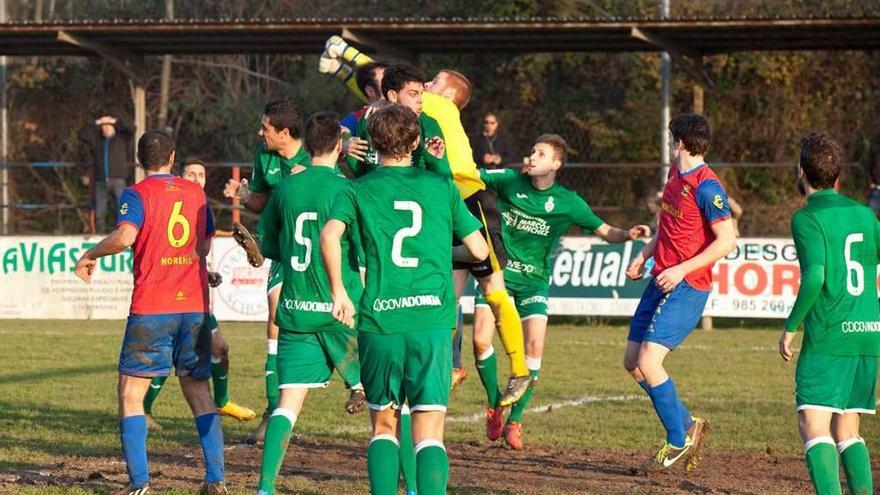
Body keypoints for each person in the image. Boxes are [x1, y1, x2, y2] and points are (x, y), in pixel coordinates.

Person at [322, 37, 532, 406]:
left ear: (446, 93)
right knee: (444, 295)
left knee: (493, 287)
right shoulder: (381, 120)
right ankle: (447, 365)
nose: (426, 92)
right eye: (421, 89)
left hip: (466, 198)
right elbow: (369, 117)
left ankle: (519, 369)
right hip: (434, 209)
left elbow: (385, 80)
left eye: (430, 85)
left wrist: (346, 60)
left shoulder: (437, 110)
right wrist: (346, 148)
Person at [321, 104, 489, 495]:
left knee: (384, 425)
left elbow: (329, 236)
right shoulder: (441, 187)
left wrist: (339, 292)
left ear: (373, 144)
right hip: (431, 321)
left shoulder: (356, 188)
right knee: (429, 431)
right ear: (415, 141)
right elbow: (479, 250)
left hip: (380, 320)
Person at [474, 134, 651, 449]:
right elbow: (470, 174)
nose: (531, 157)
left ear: (556, 164)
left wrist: (629, 234)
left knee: (535, 347)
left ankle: (515, 421)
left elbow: (605, 231)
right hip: (498, 273)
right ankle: (494, 406)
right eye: (531, 150)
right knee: (479, 340)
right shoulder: (510, 180)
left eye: (540, 153)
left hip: (534, 280)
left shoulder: (568, 202)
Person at [74, 131, 226, 495]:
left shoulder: (137, 194)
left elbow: (126, 236)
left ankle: (140, 484)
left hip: (153, 308)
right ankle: (216, 480)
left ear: (140, 161)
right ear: (173, 157)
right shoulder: (194, 192)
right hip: (192, 307)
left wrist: (90, 254)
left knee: (130, 394)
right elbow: (203, 246)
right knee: (199, 392)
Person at [223, 101, 367, 444]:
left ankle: (356, 383)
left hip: (321, 258)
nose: (261, 133)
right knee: (275, 319)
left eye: (266, 128)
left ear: (285, 133)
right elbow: (263, 201)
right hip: (290, 255)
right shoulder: (265, 155)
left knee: (331, 318)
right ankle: (274, 411)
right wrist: (243, 195)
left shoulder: (318, 158)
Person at [255, 112, 366, 495]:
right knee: (388, 408)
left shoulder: (287, 187)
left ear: (307, 143)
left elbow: (268, 245)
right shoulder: (348, 189)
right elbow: (364, 251)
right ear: (339, 146)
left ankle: (265, 488)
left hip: (297, 310)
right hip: (343, 310)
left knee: (288, 404)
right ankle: (412, 486)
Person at [623, 113, 736, 471]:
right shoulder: (675, 175)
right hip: (661, 278)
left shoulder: (707, 186)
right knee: (633, 363)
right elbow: (668, 227)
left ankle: (677, 439)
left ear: (680, 143)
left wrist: (681, 269)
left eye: (671, 138)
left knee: (648, 362)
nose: (669, 143)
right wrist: (643, 256)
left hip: (688, 285)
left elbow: (727, 241)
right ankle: (687, 424)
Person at [780, 132, 879, 495]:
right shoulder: (865, 214)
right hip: (868, 331)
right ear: (838, 176)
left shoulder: (807, 218)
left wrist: (790, 327)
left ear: (802, 172)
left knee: (813, 425)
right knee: (848, 430)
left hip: (830, 334)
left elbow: (816, 277)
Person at [143, 158, 256, 429]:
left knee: (220, 348)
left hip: (194, 294)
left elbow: (192, 253)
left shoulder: (202, 207)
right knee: (171, 355)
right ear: (178, 176)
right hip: (169, 295)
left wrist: (205, 274)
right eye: (190, 174)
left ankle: (222, 402)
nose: (196, 179)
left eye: (201, 175)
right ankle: (143, 411)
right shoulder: (171, 203)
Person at [346, 64, 450, 179]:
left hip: (416, 193)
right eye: (413, 94)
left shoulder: (428, 124)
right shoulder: (367, 121)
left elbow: (444, 176)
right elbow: (362, 170)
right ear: (392, 96)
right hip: (379, 193)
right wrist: (348, 150)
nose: (420, 100)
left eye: (421, 94)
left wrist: (434, 161)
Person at [79, 114, 133, 233]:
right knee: (100, 211)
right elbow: (83, 134)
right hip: (101, 180)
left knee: (122, 208)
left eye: (109, 126)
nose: (106, 128)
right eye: (104, 126)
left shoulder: (121, 138)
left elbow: (131, 128)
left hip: (118, 180)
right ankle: (100, 235)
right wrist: (97, 122)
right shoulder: (97, 140)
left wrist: (116, 121)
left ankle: (123, 233)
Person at [863, 133, 880, 215]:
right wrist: (870, 182)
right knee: (869, 214)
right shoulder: (875, 151)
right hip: (876, 187)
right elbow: (868, 166)